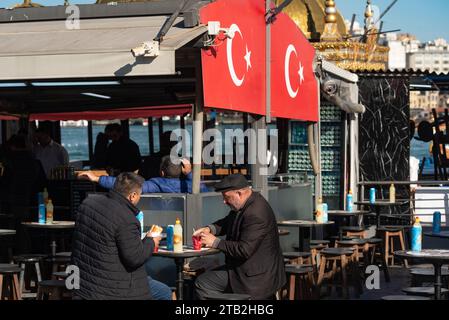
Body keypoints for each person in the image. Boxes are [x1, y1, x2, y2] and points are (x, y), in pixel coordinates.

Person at [71, 172, 163, 300]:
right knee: (163, 292)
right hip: (113, 288)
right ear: (133, 196)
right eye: (140, 195)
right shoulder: (127, 218)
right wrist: (151, 241)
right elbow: (135, 258)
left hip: (84, 284)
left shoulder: (87, 203)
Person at [193, 174, 286, 300]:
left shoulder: (255, 213)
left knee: (203, 283)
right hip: (249, 270)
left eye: (226, 197)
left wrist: (215, 242)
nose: (224, 201)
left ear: (239, 193)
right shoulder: (248, 203)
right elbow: (228, 221)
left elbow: (244, 250)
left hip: (255, 278)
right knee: (206, 274)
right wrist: (210, 229)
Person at [0, 134, 47, 253]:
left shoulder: (9, 161)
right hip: (28, 201)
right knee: (23, 233)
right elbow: (41, 183)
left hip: (8, 202)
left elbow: (5, 181)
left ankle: (8, 259)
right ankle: (25, 259)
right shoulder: (34, 161)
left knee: (8, 233)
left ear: (12, 146)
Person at [81, 156, 209, 193]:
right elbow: (205, 190)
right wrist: (190, 174)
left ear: (162, 172)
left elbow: (126, 184)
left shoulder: (156, 184)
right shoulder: (192, 186)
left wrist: (97, 178)